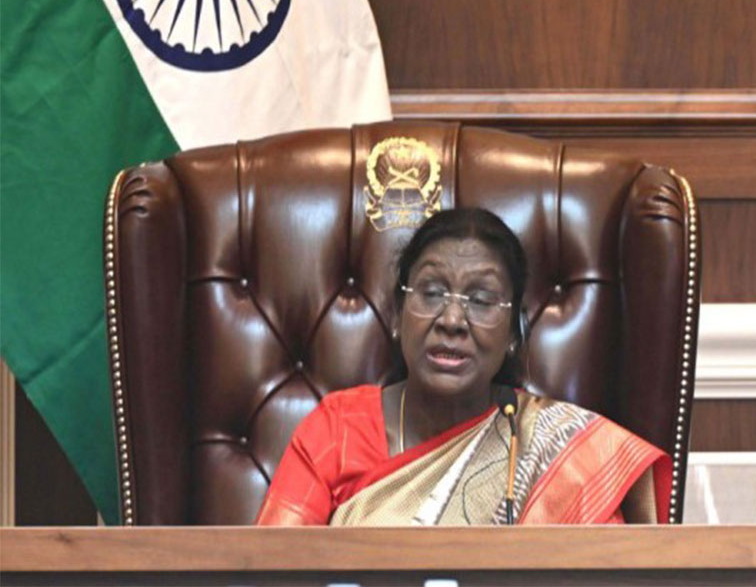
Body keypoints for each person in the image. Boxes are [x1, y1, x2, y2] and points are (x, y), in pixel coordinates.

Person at [256, 207, 669, 525]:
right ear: (398, 316)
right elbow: (272, 571)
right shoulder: (336, 430)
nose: (452, 320)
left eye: (482, 300)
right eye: (432, 293)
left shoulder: (556, 451)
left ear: (512, 334)